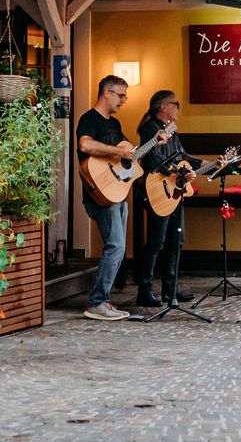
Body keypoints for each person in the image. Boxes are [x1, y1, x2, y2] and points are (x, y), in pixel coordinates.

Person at [76, 74, 150, 321]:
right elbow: (85, 146)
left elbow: (128, 157)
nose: (123, 100)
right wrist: (118, 150)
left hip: (117, 191)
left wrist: (154, 144)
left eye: (125, 96)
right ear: (106, 93)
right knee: (115, 246)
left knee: (118, 247)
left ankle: (103, 301)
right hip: (99, 194)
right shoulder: (89, 119)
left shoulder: (115, 125)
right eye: (120, 95)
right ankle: (97, 302)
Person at [133, 90, 196, 312]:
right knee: (157, 241)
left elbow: (183, 156)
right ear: (163, 107)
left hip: (174, 191)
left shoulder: (172, 131)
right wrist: (179, 171)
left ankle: (171, 288)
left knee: (175, 240)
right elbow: (153, 158)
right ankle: (145, 289)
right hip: (159, 191)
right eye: (176, 104)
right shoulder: (152, 129)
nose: (178, 108)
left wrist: (210, 163)